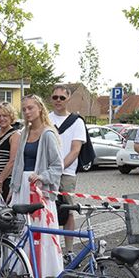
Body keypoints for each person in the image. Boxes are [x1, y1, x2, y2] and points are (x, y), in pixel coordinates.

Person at [9, 94, 63, 278]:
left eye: (30, 108)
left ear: (40, 108)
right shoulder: (24, 132)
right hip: (22, 188)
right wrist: (12, 187)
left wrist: (41, 177)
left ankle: (42, 269)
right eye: (24, 109)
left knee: (40, 228)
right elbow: (18, 162)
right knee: (20, 228)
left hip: (39, 189)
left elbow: (57, 166)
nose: (27, 112)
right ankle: (22, 268)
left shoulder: (48, 134)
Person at [48, 84, 85, 243]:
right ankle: (50, 249)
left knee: (68, 211)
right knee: (48, 211)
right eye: (55, 97)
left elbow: (75, 150)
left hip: (67, 174)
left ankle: (69, 250)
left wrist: (58, 169)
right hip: (47, 173)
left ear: (68, 99)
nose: (58, 100)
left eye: (62, 97)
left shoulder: (77, 122)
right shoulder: (45, 119)